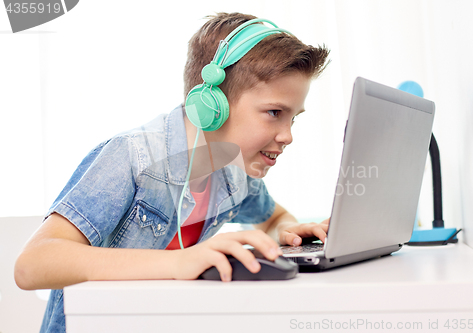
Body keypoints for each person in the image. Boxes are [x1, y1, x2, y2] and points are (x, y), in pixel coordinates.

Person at [14, 12, 330, 332]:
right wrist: (179, 263)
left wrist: (289, 232)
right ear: (210, 104)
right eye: (274, 113)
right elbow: (32, 265)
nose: (288, 135)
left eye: (293, 118)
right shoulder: (131, 157)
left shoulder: (234, 172)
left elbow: (274, 218)